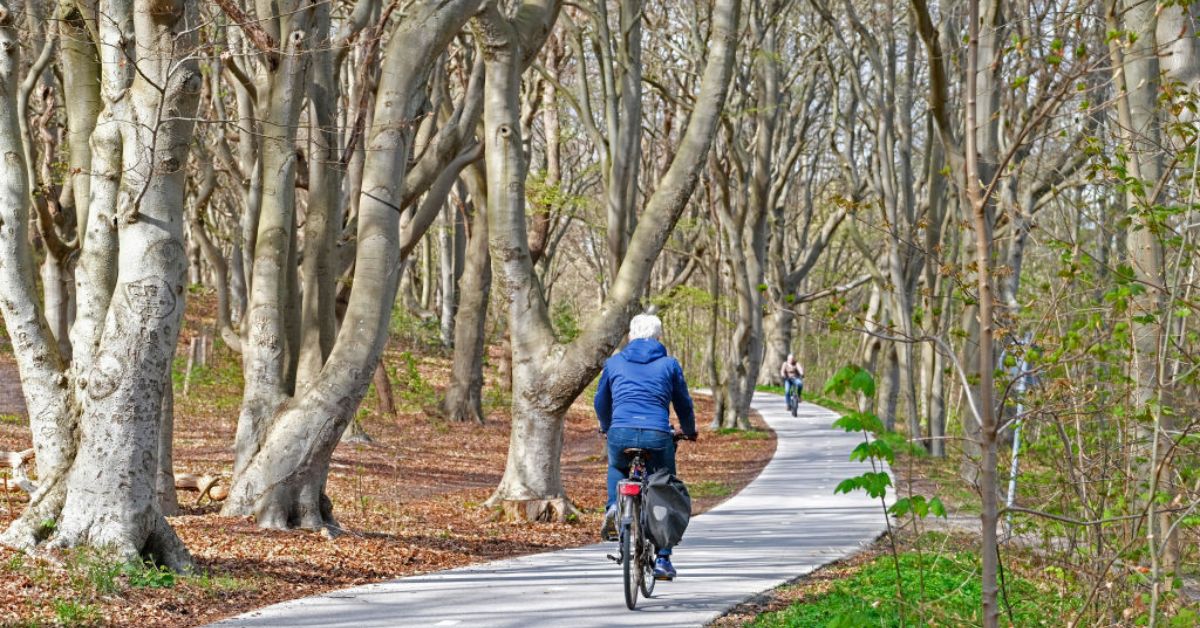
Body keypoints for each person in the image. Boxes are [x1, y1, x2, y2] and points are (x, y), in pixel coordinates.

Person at [594, 313, 697, 581]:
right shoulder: (669, 364)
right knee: (663, 485)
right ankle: (663, 559)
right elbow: (683, 403)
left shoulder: (614, 362)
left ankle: (614, 508)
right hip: (657, 433)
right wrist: (688, 429)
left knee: (617, 465)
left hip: (621, 431)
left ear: (631, 335)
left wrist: (607, 425)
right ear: (658, 337)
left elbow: (600, 401)